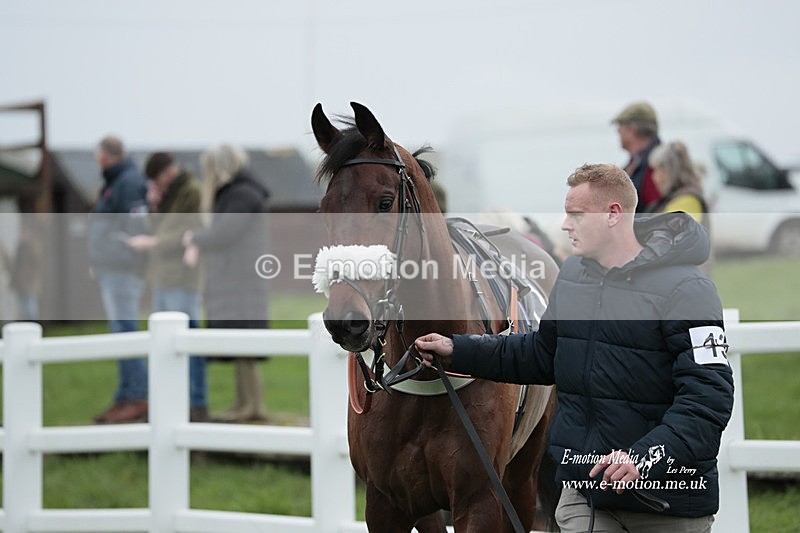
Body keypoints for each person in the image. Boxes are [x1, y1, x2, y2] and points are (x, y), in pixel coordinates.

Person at [415, 163, 734, 532]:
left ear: (613, 214)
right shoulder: (572, 277)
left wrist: (644, 459)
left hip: (667, 503)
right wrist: (459, 350)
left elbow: (708, 398)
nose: (565, 225)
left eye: (576, 214)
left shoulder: (689, 289)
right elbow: (541, 355)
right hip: (586, 496)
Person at [183, 144, 271, 423]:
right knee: (240, 344)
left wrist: (194, 238)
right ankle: (244, 403)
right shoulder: (240, 193)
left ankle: (253, 406)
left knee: (246, 347)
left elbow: (224, 234)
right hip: (238, 279)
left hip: (240, 281)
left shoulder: (242, 195)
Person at [126, 152, 209, 422]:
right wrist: (154, 206)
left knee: (189, 341)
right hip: (162, 276)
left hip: (182, 278)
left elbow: (189, 232)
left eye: (156, 180)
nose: (155, 185)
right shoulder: (168, 194)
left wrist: (153, 243)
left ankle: (196, 402)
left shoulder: (191, 192)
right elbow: (161, 228)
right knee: (164, 343)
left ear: (166, 173)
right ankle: (170, 403)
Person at [88, 135, 149, 424]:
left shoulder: (128, 183)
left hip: (122, 272)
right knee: (120, 333)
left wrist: (115, 257)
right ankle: (126, 395)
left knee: (126, 332)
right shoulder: (117, 182)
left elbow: (136, 230)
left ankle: (137, 396)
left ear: (104, 157)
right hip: (112, 270)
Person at [612, 101, 662, 212]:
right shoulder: (638, 162)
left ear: (632, 130)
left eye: (620, 127)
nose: (618, 131)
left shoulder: (655, 165)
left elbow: (657, 210)